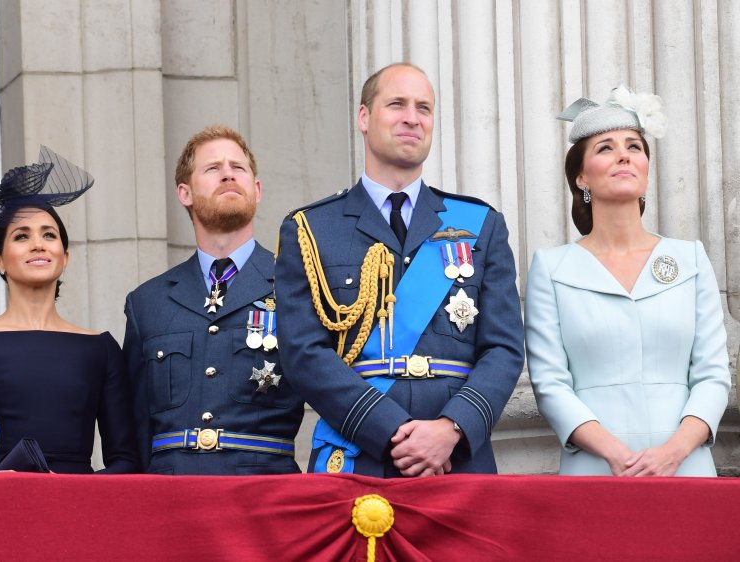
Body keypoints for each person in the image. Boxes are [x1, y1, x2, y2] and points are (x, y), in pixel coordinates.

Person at [274, 63, 524, 477]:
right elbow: (303, 353)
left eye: (424, 108)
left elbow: (504, 349)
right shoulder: (311, 229)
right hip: (360, 452)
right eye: (397, 104)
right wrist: (393, 429)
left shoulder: (481, 224)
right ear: (364, 117)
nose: (412, 117)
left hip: (456, 459)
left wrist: (450, 429)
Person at [525, 86, 730, 476]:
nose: (624, 154)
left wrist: (673, 451)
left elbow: (712, 374)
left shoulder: (690, 259)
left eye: (634, 146)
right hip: (596, 469)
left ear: (646, 169)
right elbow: (550, 383)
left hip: (686, 468)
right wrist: (617, 455)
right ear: (581, 177)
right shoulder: (552, 268)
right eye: (605, 147)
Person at [123, 126, 304, 475]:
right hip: (171, 498)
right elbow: (134, 429)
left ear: (257, 189)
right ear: (185, 193)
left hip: (264, 496)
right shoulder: (147, 303)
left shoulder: (297, 287)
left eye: (238, 168)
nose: (227, 174)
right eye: (213, 168)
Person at [0, 147, 139, 474]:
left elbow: (126, 460)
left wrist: (72, 491)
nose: (38, 244)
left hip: (77, 511)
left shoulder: (100, 347)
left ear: (65, 256)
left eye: (49, 235)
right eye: (21, 236)